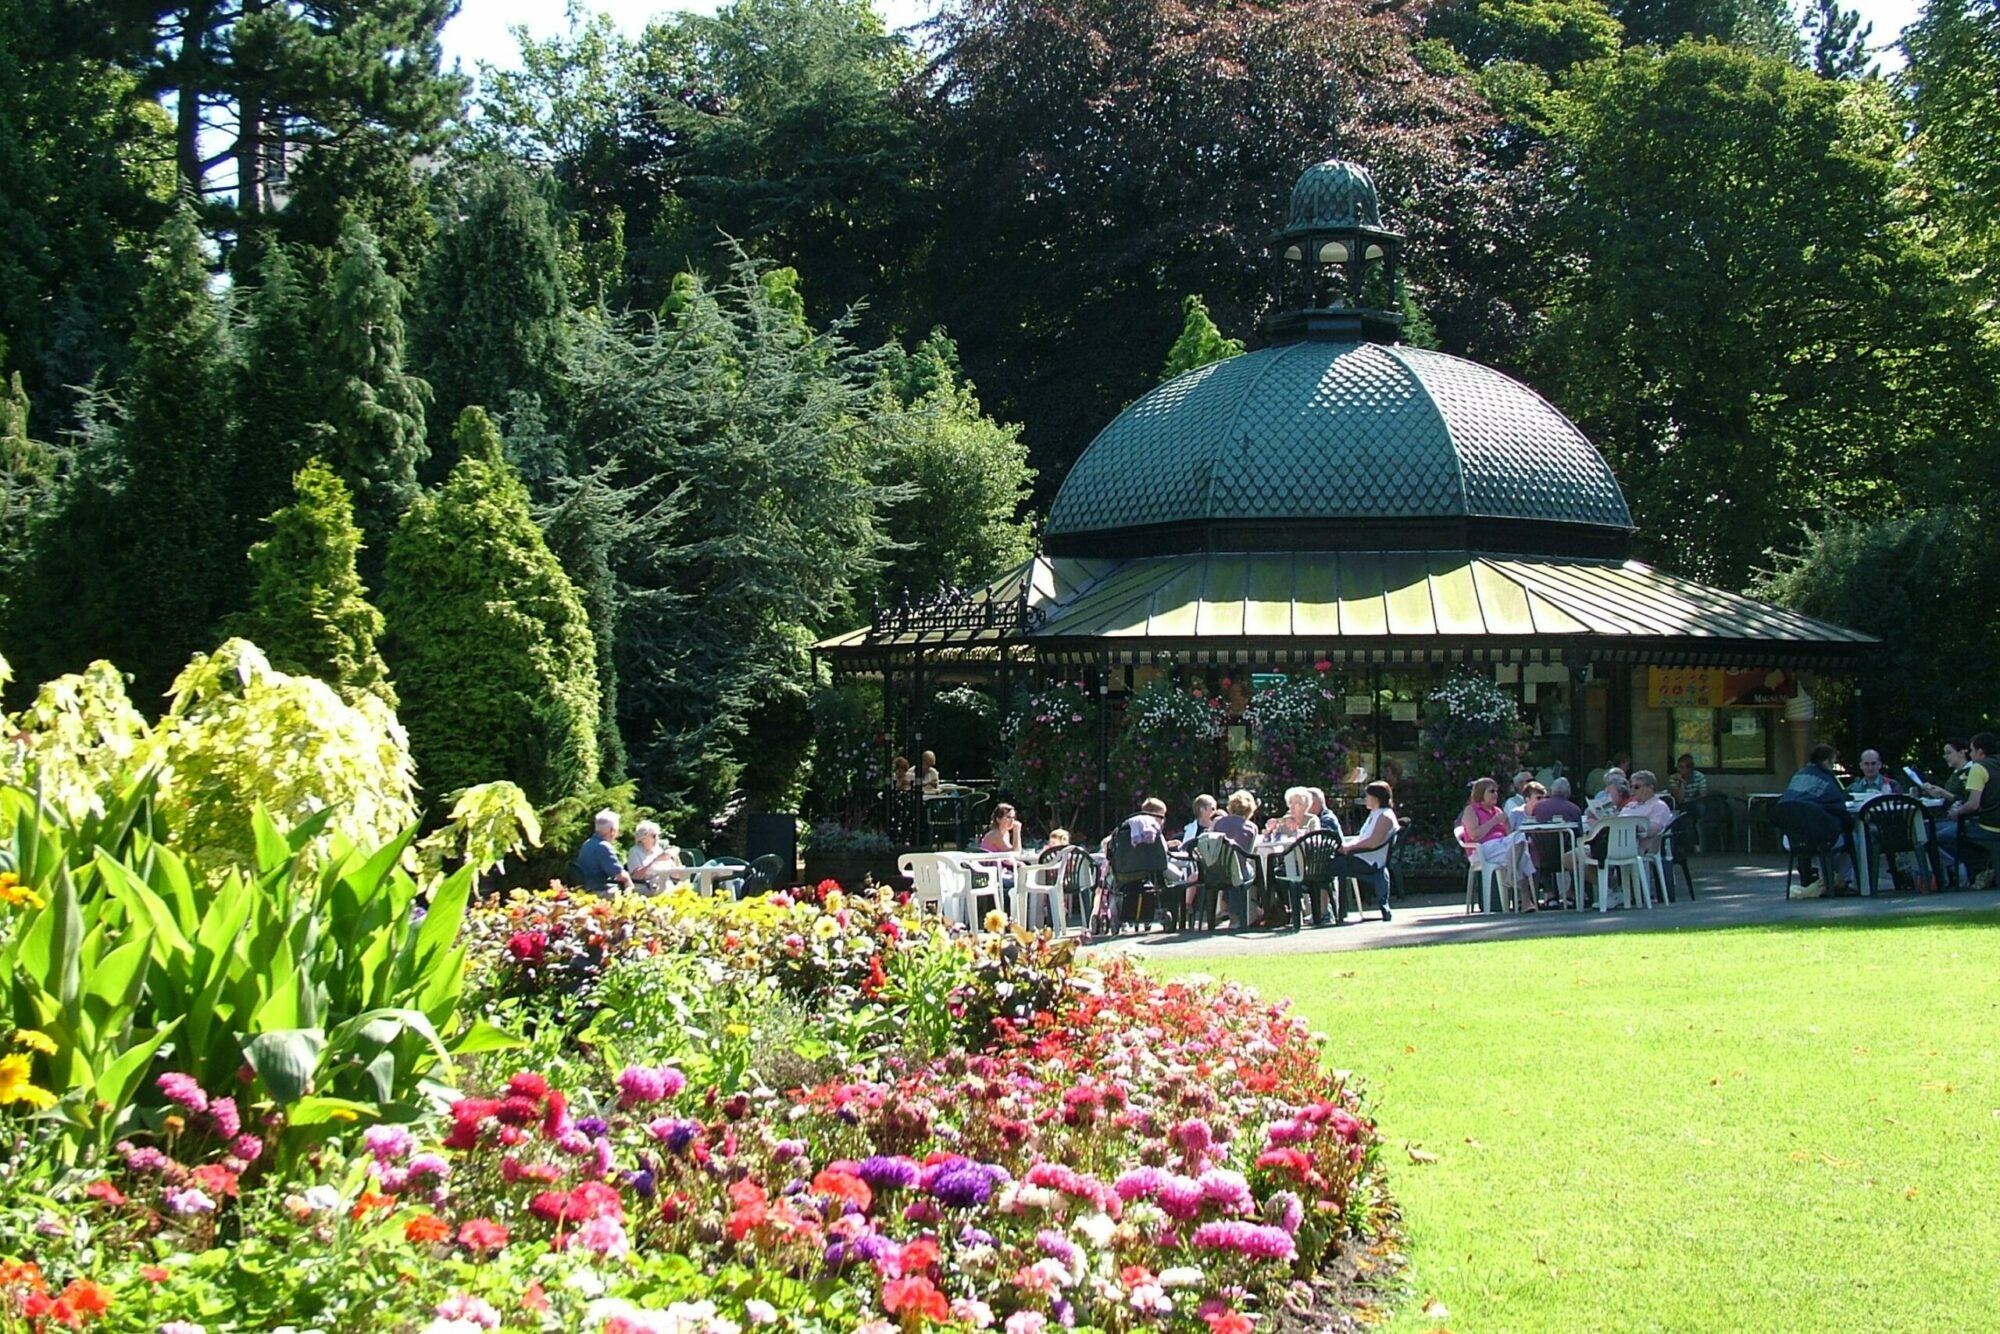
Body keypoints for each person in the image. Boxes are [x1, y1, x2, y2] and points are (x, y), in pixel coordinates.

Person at [1779, 743, 1855, 893]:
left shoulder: (1799, 776)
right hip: (1820, 838)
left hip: (1792, 839)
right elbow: (1839, 807)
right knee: (1851, 838)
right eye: (1833, 762)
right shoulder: (1827, 779)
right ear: (1827, 761)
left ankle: (1821, 880)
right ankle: (1841, 882)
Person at [1327, 781, 1397, 922]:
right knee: (1326, 862)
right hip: (1361, 857)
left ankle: (1330, 911)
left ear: (1376, 798)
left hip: (1369, 861)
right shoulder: (1375, 814)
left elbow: (1372, 842)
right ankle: (1330, 910)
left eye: (1368, 796)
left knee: (1325, 867)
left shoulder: (1385, 817)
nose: (1365, 799)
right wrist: (1345, 845)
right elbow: (1362, 838)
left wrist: (1349, 848)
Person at [1460, 777, 1531, 908]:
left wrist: (1506, 823)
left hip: (1501, 845)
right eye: (1491, 791)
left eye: (1496, 791)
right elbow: (1474, 835)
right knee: (1522, 857)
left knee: (1520, 840)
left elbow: (1509, 834)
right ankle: (1525, 901)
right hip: (1482, 848)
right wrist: (1494, 821)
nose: (1495, 794)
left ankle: (1511, 875)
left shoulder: (1497, 810)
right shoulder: (1471, 810)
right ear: (1481, 793)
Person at [1940, 732, 2000, 889]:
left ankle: (1981, 868)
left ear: (1980, 751)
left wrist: (1957, 812)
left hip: (1989, 825)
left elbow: (1973, 804)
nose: (1970, 755)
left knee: (1943, 836)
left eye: (1972, 751)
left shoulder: (1979, 768)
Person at [1922, 737, 1977, 884]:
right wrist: (1935, 793)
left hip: (1964, 819)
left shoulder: (1970, 772)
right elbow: (1950, 799)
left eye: (1949, 752)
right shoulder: (1956, 774)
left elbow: (1967, 800)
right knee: (1920, 831)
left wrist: (1943, 793)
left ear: (1961, 752)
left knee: (1928, 836)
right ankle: (1945, 871)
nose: (1945, 756)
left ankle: (1954, 867)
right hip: (1951, 817)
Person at [1527, 777, 1585, 905]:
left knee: (1541, 851)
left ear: (1551, 791)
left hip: (1543, 856)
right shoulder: (1574, 809)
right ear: (1568, 793)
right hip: (1566, 856)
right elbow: (1579, 835)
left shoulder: (1538, 807)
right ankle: (1571, 893)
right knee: (1581, 853)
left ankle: (1550, 894)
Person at [575, 809, 632, 894]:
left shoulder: (588, 843)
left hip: (586, 888)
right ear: (612, 830)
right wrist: (629, 882)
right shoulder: (603, 847)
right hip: (599, 890)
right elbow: (619, 875)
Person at [625, 820, 681, 894]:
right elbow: (636, 876)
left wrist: (675, 857)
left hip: (666, 887)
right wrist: (655, 860)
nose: (657, 839)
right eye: (653, 836)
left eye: (658, 836)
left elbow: (677, 876)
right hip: (647, 888)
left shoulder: (658, 850)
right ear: (643, 838)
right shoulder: (635, 851)